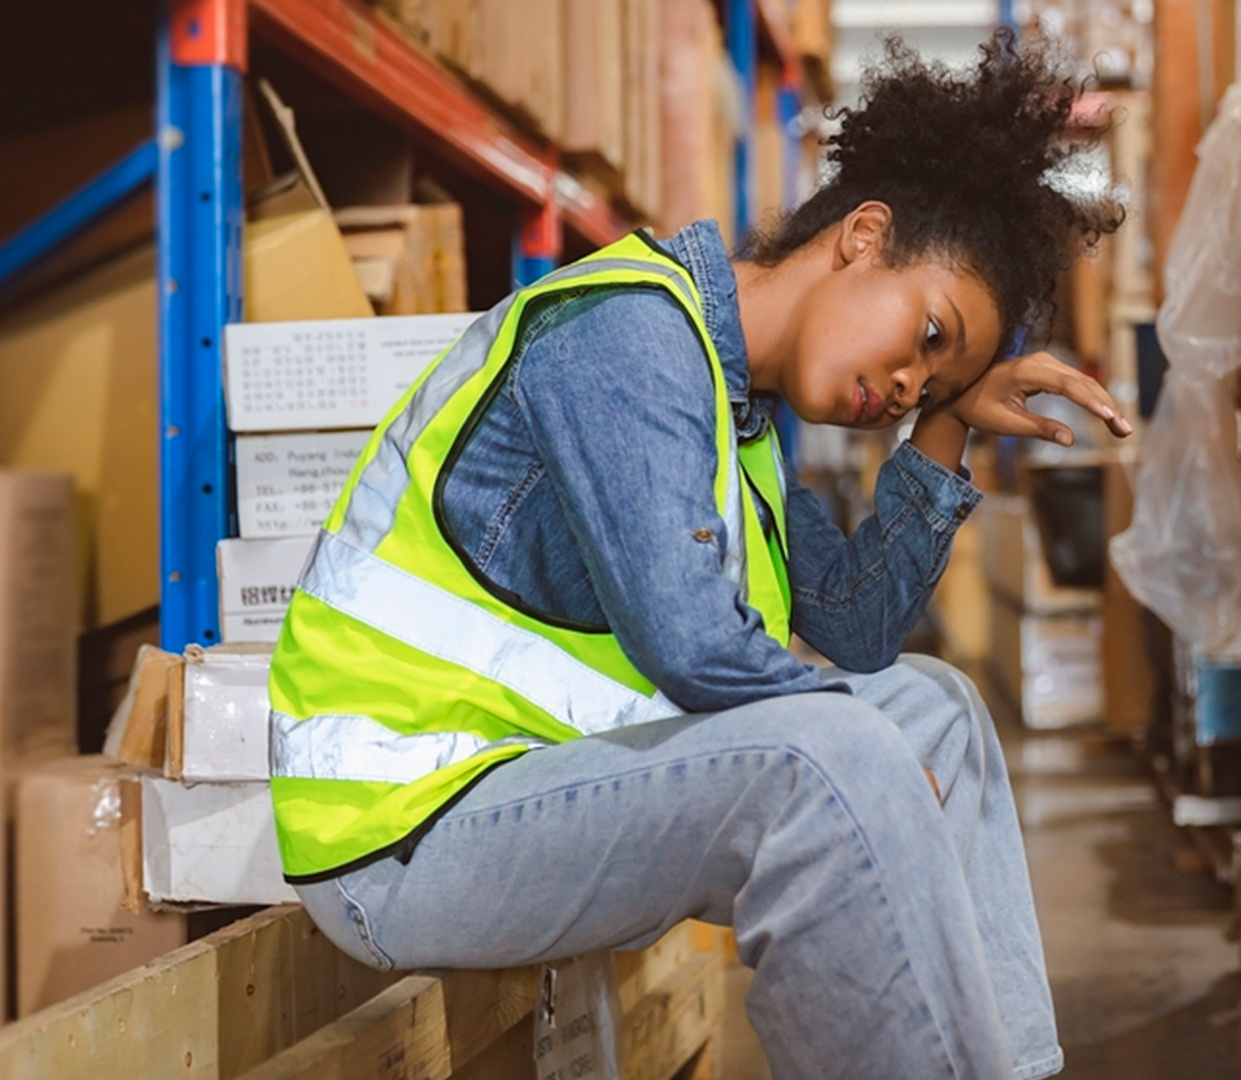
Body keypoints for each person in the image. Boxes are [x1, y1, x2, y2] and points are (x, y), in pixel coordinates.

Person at [267, 30, 1124, 1080]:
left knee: (931, 711)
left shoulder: (740, 419)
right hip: (402, 832)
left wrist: (947, 427)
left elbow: (855, 631)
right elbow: (691, 645)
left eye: (932, 379)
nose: (908, 382)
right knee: (838, 755)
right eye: (928, 337)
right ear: (864, 234)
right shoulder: (626, 336)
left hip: (528, 791)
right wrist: (864, 753)